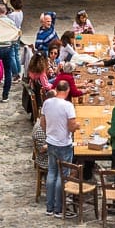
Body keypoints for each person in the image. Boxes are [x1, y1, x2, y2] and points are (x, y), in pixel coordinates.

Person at [42, 80, 79, 218]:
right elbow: (71, 126)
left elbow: (42, 122)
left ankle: (49, 207)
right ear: (68, 90)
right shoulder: (68, 106)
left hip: (51, 142)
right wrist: (77, 126)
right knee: (62, 175)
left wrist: (50, 133)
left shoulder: (47, 103)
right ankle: (59, 209)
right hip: (63, 143)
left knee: (51, 172)